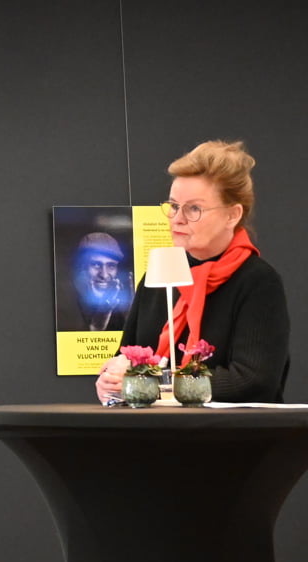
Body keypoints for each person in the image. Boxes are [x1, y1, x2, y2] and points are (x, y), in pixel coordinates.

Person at [95, 140, 289, 403]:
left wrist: (155, 384)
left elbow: (252, 380)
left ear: (232, 215)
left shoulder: (258, 281)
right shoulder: (156, 276)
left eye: (194, 208)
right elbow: (128, 357)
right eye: (174, 206)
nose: (177, 218)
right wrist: (112, 381)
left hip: (231, 429)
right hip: (158, 427)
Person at [65, 231, 129, 332]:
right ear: (80, 267)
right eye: (96, 265)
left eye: (111, 266)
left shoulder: (121, 310)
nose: (104, 275)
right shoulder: (66, 307)